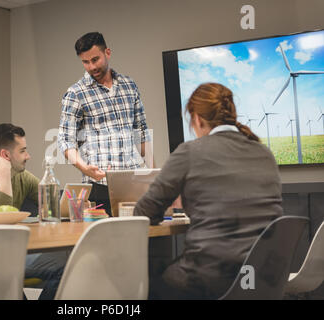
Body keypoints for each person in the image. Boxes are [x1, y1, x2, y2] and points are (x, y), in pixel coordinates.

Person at [133, 83, 283, 300]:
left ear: (197, 119)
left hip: (210, 279)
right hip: (263, 277)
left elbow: (144, 212)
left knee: (146, 285)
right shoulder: (264, 153)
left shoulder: (190, 152)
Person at [0, 123, 66, 300]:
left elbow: (50, 205)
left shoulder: (22, 177)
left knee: (65, 265)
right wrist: (4, 173)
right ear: (5, 155)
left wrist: (74, 205)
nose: (28, 156)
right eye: (22, 151)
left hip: (11, 254)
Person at [58, 32, 153, 216]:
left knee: (139, 238)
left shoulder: (129, 85)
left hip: (133, 183)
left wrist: (151, 176)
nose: (91, 66)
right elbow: (65, 141)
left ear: (107, 52)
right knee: (108, 241)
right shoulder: (76, 93)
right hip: (98, 185)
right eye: (86, 62)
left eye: (95, 59)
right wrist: (85, 168)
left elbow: (141, 132)